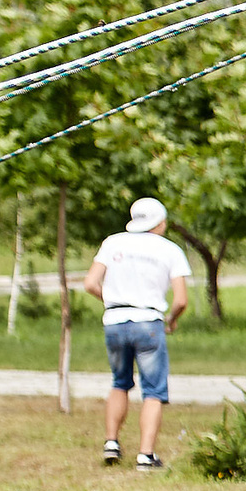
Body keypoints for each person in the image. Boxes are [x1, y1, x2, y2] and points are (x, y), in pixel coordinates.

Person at [82, 197, 191, 470]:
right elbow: (181, 300)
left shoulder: (113, 242)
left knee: (120, 382)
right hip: (148, 321)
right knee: (153, 390)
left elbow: (90, 283)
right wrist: (171, 320)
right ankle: (145, 455)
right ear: (160, 223)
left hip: (115, 320)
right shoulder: (170, 250)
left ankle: (111, 442)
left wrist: (113, 301)